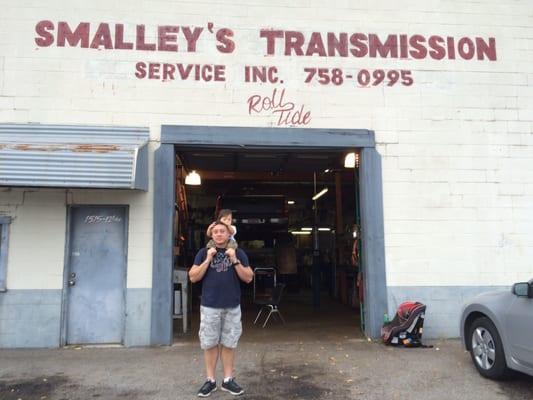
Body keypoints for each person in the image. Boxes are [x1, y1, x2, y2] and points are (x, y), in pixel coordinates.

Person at [189, 221, 254, 397]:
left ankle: (228, 380)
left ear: (228, 234)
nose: (218, 234)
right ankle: (210, 380)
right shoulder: (203, 253)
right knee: (209, 343)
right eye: (215, 231)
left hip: (232, 307)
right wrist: (208, 260)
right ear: (212, 235)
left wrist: (234, 260)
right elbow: (193, 277)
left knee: (229, 343)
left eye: (222, 231)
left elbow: (248, 277)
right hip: (210, 306)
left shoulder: (238, 253)